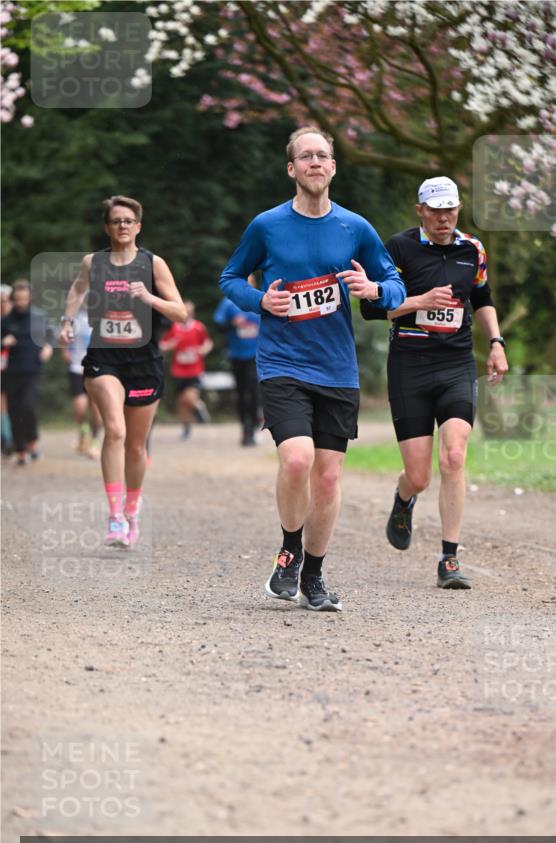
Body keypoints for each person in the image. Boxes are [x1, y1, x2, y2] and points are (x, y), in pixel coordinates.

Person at [220, 126, 405, 611]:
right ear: (292, 169)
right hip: (282, 360)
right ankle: (289, 551)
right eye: (306, 157)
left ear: (333, 167)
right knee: (297, 459)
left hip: (337, 367)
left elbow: (394, 284)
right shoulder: (267, 225)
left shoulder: (355, 228)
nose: (315, 163)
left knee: (327, 478)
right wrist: (263, 300)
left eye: (323, 155)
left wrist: (375, 292)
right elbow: (230, 277)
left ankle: (314, 576)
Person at [361, 176, 508, 589]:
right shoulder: (398, 249)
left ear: (458, 210)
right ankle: (405, 498)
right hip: (409, 366)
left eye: (451, 210)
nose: (444, 217)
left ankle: (449, 558)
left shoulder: (472, 249)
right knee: (420, 475)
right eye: (436, 210)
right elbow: (371, 310)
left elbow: (481, 297)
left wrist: (496, 342)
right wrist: (420, 302)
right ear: (420, 211)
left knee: (455, 457)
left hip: (456, 364)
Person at [58, 195, 186, 547]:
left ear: (139, 226)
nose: (123, 226)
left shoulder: (153, 264)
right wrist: (68, 321)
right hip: (104, 357)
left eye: (129, 221)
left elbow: (179, 313)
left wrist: (148, 298)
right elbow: (78, 289)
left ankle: (131, 510)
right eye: (116, 221)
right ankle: (114, 516)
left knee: (135, 444)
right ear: (107, 227)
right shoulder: (93, 263)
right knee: (114, 430)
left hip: (144, 361)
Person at [1, 280, 54, 466]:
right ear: (13, 299)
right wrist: (3, 342)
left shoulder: (40, 316)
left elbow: (51, 333)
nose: (21, 302)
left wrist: (49, 346)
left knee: (28, 407)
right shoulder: (5, 321)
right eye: (18, 299)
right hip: (11, 372)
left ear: (30, 297)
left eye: (24, 298)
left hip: (33, 370)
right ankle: (21, 449)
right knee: (14, 412)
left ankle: (32, 440)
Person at [214, 276, 261, 446]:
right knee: (242, 392)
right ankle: (246, 429)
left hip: (258, 354)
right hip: (237, 354)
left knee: (255, 390)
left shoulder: (260, 300)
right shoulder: (228, 303)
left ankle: (254, 423)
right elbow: (218, 325)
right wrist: (232, 323)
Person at [160, 300, 213, 440]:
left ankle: (199, 407)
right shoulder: (174, 328)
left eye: (190, 311)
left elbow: (208, 343)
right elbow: (162, 345)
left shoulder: (198, 327)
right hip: (178, 370)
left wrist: (203, 350)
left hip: (195, 370)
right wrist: (170, 345)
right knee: (182, 403)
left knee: (190, 397)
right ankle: (186, 428)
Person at [62, 304, 101, 458]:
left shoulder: (101, 314)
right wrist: (64, 351)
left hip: (97, 368)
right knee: (80, 407)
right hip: (76, 367)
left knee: (96, 408)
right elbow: (63, 336)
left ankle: (95, 442)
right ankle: (84, 432)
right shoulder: (72, 316)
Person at [1, 283, 14, 455]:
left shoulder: (19, 319)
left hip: (17, 368)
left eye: (6, 301)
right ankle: (7, 438)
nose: (4, 305)